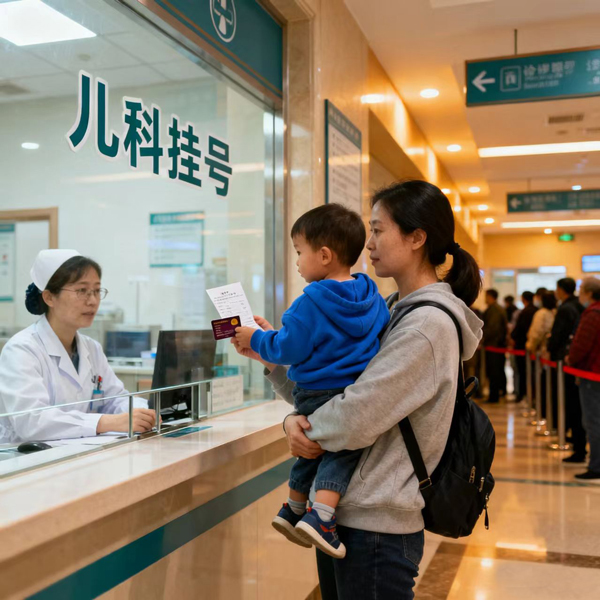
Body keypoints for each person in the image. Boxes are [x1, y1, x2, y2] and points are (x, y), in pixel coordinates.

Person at [233, 180, 483, 599]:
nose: (368, 244)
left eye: (379, 230)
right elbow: (334, 394)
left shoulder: (426, 327)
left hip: (378, 526)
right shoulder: (386, 310)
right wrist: (274, 368)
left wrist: (299, 427)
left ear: (417, 238)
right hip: (345, 513)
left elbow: (355, 417)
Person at [234, 204, 389, 558]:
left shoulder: (310, 303)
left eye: (299, 252)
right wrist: (269, 339)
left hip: (313, 393)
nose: (297, 262)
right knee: (339, 451)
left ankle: (306, 511)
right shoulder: (373, 300)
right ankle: (310, 512)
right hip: (350, 393)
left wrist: (257, 338)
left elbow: (288, 348)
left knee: (322, 451)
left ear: (324, 255)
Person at [0, 250, 155, 443]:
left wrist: (145, 412)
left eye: (97, 291)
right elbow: (33, 421)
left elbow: (115, 399)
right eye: (82, 291)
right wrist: (106, 422)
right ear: (49, 297)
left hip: (78, 451)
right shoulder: (22, 350)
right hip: (26, 457)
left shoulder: (91, 348)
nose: (92, 301)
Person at [547, 278, 586, 464]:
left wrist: (551, 349)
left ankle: (577, 445)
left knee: (571, 403)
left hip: (565, 361)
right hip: (577, 364)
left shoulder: (565, 308)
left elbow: (558, 335)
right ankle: (576, 438)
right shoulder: (580, 306)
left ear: (561, 289)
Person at [568, 277, 600, 481]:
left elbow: (581, 345)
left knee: (593, 421)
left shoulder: (592, 314)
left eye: (581, 289)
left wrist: (570, 359)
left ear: (589, 292)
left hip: (592, 373)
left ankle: (596, 465)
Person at [511, 291, 537, 402]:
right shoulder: (535, 310)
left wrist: (513, 336)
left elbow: (519, 328)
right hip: (529, 346)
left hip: (521, 345)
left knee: (522, 371)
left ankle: (522, 394)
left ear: (523, 299)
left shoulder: (525, 312)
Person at [483, 289, 508, 403]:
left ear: (490, 296)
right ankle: (498, 392)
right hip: (496, 345)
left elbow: (492, 329)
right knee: (497, 370)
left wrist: (482, 338)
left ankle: (494, 396)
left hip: (494, 346)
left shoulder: (494, 310)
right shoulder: (496, 309)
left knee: (494, 371)